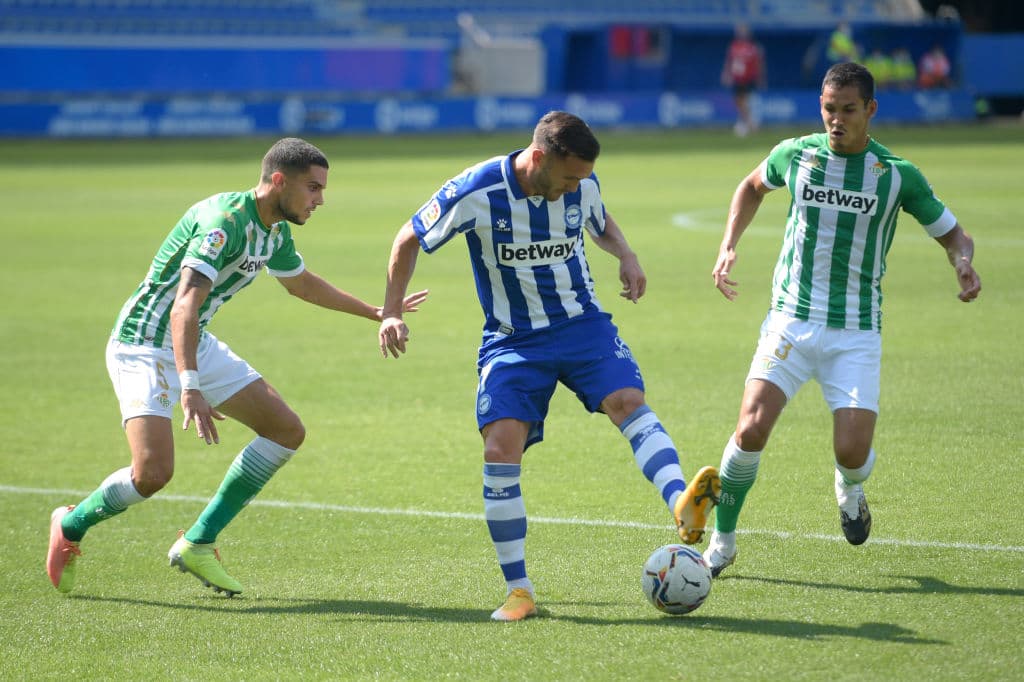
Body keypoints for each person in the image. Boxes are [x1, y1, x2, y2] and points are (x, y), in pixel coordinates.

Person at [46, 137, 428, 597]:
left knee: (286, 430)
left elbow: (302, 285)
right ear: (278, 180)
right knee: (152, 473)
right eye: (313, 188)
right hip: (144, 344)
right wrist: (190, 386)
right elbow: (183, 306)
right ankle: (70, 524)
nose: (320, 200)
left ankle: (198, 542)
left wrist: (375, 311)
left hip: (193, 340)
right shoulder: (223, 223)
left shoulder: (274, 230)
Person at [377, 111, 720, 621]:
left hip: (583, 325)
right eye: (568, 178)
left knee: (628, 402)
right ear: (540, 157)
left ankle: (681, 504)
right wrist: (391, 311)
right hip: (514, 341)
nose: (574, 188)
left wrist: (626, 254)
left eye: (582, 179)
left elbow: (599, 221)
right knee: (500, 444)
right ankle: (519, 591)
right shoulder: (478, 190)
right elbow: (409, 236)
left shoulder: (581, 184)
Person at [704, 62, 981, 577]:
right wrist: (728, 245)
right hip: (789, 319)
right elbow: (751, 186)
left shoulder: (897, 175)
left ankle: (850, 486)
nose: (836, 120)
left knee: (852, 453)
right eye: (829, 108)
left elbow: (953, 233)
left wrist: (962, 261)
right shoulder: (798, 155)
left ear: (870, 110)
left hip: (855, 331)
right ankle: (722, 541)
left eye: (848, 110)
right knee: (750, 430)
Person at [721, 23, 766, 137]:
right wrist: (726, 74)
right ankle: (749, 122)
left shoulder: (753, 47)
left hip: (748, 77)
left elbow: (759, 63)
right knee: (739, 101)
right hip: (737, 78)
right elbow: (729, 61)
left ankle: (748, 123)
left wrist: (760, 77)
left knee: (744, 101)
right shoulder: (734, 46)